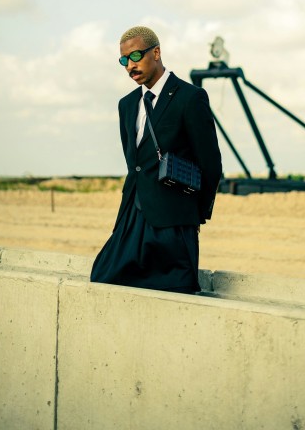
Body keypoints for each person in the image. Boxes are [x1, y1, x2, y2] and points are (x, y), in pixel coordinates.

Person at [90, 25, 222, 294]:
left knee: (175, 293)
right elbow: (134, 164)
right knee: (103, 278)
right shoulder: (126, 105)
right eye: (124, 60)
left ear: (157, 52)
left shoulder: (190, 97)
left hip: (174, 221)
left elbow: (211, 164)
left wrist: (194, 216)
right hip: (131, 217)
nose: (129, 66)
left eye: (135, 56)